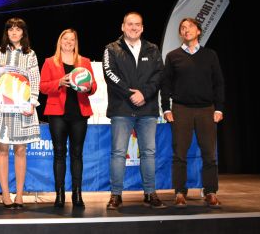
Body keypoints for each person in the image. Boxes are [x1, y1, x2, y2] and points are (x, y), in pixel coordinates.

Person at [102, 11, 165, 210]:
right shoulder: (111, 48)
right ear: (123, 26)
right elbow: (109, 73)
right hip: (121, 108)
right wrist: (130, 94)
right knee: (119, 153)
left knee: (149, 152)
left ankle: (150, 193)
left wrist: (143, 94)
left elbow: (159, 76)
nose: (134, 27)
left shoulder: (153, 49)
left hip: (147, 109)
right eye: (130, 24)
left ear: (142, 28)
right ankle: (116, 195)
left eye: (138, 24)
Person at [161, 18, 225, 208]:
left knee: (209, 154)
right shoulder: (173, 56)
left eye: (190, 27)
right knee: (179, 153)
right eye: (182, 28)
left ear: (198, 31)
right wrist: (166, 108)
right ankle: (180, 192)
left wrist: (219, 108)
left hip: (207, 109)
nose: (186, 30)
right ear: (180, 34)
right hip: (181, 109)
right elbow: (166, 85)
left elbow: (219, 83)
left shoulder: (210, 55)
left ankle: (210, 191)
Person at [0, 18, 41, 209]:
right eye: (11, 30)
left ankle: (19, 195)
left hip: (21, 105)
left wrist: (32, 101)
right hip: (1, 105)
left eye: (18, 30)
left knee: (21, 150)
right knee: (2, 149)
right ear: (6, 33)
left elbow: (34, 78)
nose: (14, 33)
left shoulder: (30, 54)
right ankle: (6, 194)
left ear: (23, 33)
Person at [39, 29, 97, 208]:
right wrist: (59, 82)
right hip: (57, 114)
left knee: (77, 154)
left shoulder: (84, 61)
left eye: (72, 39)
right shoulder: (50, 62)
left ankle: (77, 195)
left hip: (79, 114)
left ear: (75, 42)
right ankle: (60, 194)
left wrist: (87, 87)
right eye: (66, 39)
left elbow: (93, 86)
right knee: (59, 153)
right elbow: (42, 87)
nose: (69, 42)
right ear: (60, 41)